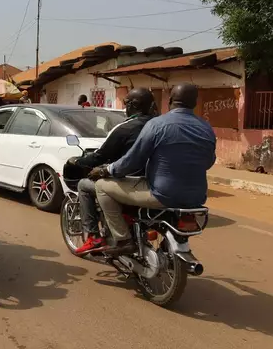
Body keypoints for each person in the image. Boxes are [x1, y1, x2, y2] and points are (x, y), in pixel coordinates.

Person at [88, 83, 216, 254]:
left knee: (102, 186)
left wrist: (107, 170)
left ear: (170, 100)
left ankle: (123, 239)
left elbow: (133, 160)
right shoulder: (206, 128)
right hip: (197, 197)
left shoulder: (157, 125)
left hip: (162, 194)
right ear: (194, 103)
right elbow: (208, 162)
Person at [68, 88, 156, 255]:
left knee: (84, 185)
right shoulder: (158, 125)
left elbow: (100, 156)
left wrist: (78, 161)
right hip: (155, 182)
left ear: (131, 105)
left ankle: (93, 237)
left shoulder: (124, 128)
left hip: (130, 182)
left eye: (125, 103)